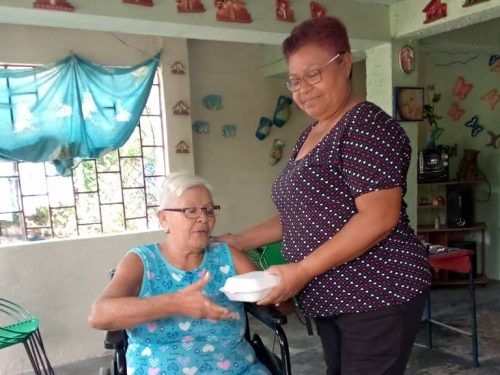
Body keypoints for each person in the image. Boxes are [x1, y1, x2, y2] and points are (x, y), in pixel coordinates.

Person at [216, 16, 431, 375]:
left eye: (313, 74)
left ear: (345, 63)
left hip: (376, 293)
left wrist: (301, 271)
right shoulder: (312, 133)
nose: (303, 90)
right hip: (334, 298)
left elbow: (379, 217)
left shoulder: (366, 126)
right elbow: (299, 217)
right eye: (295, 81)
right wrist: (234, 240)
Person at [88, 172, 288, 375]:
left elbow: (283, 307)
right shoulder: (142, 261)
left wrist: (277, 291)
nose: (203, 218)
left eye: (209, 211)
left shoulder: (227, 256)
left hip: (236, 368)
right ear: (164, 219)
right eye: (191, 211)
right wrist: (176, 303)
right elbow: (99, 315)